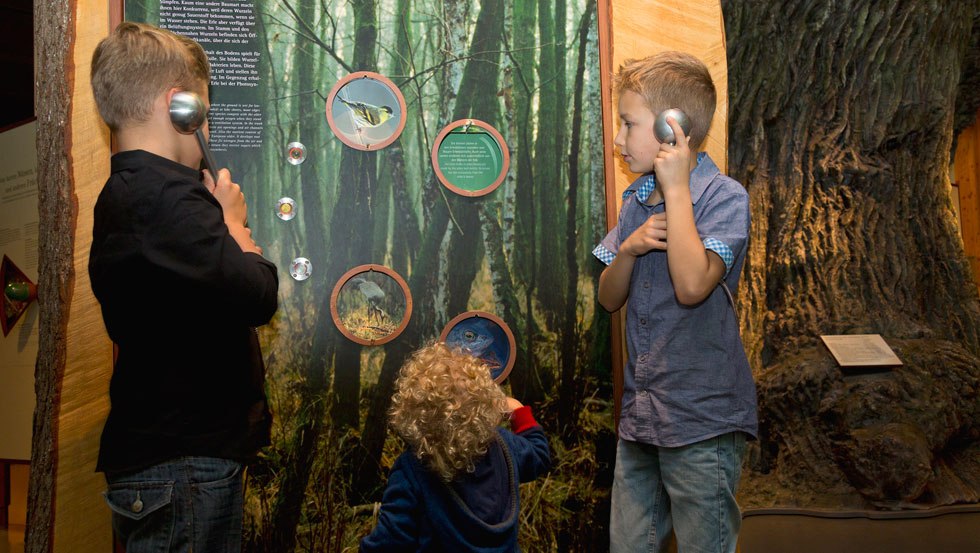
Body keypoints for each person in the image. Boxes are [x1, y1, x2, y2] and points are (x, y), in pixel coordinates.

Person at [88, 21, 279, 553]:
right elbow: (258, 294)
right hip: (184, 464)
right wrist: (236, 227)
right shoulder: (167, 197)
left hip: (165, 461)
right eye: (206, 114)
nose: (208, 132)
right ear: (181, 107)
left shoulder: (128, 192)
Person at [593, 51, 757, 553]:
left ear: (672, 129)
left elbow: (692, 285)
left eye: (628, 124)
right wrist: (629, 246)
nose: (618, 140)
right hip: (642, 416)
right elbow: (607, 298)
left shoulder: (723, 198)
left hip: (702, 422)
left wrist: (678, 188)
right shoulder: (635, 201)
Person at [360, 342, 551, 552]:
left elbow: (390, 542)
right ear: (486, 403)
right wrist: (519, 411)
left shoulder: (411, 470)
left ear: (415, 411)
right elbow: (539, 456)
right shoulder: (504, 445)